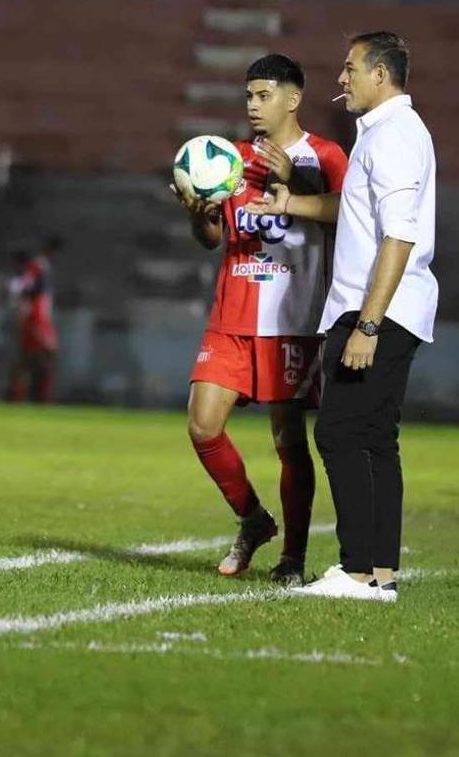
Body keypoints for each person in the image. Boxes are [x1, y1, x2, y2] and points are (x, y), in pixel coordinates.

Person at [248, 31, 437, 603]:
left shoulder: (397, 134)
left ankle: (356, 571)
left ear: (380, 75)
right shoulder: (381, 133)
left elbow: (400, 235)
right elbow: (352, 211)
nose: (341, 78)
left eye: (350, 68)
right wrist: (291, 202)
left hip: (377, 309)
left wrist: (368, 324)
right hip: (382, 307)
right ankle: (379, 573)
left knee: (338, 433)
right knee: (376, 439)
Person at [171, 53, 347, 586]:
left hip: (292, 321)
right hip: (233, 313)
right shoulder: (230, 160)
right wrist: (197, 216)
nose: (252, 105)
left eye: (263, 95)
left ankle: (292, 558)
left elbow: (351, 211)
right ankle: (252, 518)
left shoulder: (326, 155)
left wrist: (294, 181)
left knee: (289, 442)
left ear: (293, 98)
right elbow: (213, 240)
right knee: (202, 425)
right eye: (249, 96)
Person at [7, 236, 62, 403]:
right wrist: (18, 301)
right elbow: (20, 284)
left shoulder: (42, 267)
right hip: (36, 319)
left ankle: (24, 396)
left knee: (33, 359)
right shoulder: (38, 265)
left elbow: (20, 285)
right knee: (41, 358)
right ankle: (31, 398)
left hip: (38, 318)